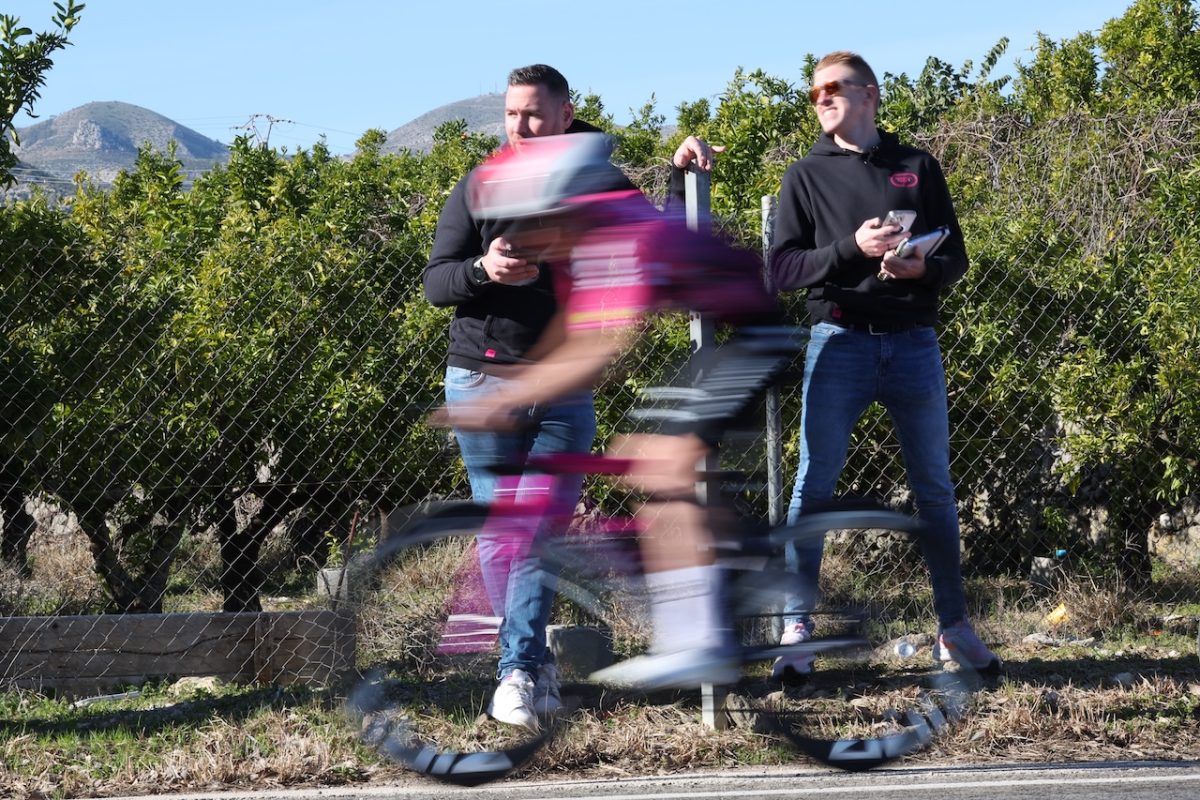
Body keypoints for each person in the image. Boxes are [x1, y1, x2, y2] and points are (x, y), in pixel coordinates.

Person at [438, 131, 800, 692]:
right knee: (646, 460)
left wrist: (506, 398)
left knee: (658, 462)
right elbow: (572, 336)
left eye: (536, 219)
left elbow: (596, 350)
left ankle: (697, 638)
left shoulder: (621, 239)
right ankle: (723, 590)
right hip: (738, 336)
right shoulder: (591, 239)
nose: (531, 234)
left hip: (759, 340)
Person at [423, 64, 721, 730]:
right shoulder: (481, 183)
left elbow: (661, 242)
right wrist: (485, 269)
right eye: (511, 113)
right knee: (504, 539)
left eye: (533, 113)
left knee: (533, 533)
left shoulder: (597, 179)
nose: (520, 126)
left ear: (564, 114)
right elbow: (436, 282)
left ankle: (517, 671)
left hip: (563, 390)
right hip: (482, 381)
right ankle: (532, 666)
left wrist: (680, 176)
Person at [768, 51, 1000, 678]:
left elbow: (955, 259)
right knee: (813, 488)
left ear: (869, 95)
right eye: (814, 91)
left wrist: (921, 267)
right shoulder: (805, 175)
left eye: (834, 88)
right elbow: (783, 269)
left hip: (913, 344)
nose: (821, 99)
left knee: (935, 489)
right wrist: (853, 248)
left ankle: (953, 628)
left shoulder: (917, 166)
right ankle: (796, 631)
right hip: (838, 343)